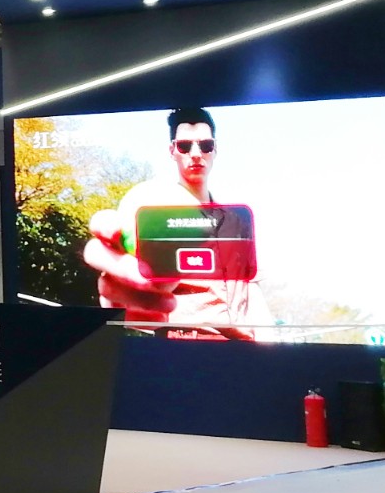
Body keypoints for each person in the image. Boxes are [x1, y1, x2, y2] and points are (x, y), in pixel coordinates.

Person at [81, 106, 271, 339]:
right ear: (172, 151)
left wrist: (272, 351)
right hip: (180, 347)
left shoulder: (236, 222)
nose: (196, 153)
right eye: (184, 146)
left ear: (215, 150)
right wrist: (121, 296)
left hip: (241, 350)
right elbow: (138, 288)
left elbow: (253, 292)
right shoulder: (151, 211)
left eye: (205, 145)